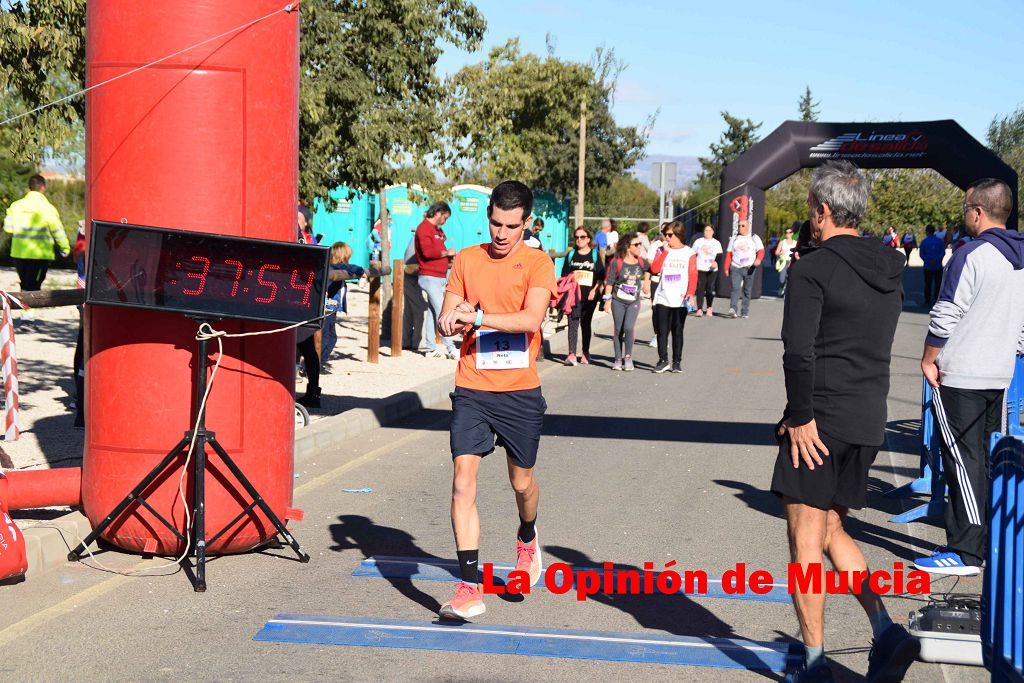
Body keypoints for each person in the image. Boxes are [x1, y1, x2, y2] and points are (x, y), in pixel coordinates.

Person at [772, 161, 916, 682]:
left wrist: (800, 416)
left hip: (822, 420)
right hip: (867, 417)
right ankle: (886, 630)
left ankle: (813, 664)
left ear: (823, 211)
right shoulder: (891, 265)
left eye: (813, 209)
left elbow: (798, 352)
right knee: (832, 528)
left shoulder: (813, 268)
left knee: (804, 540)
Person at [434, 180, 557, 620]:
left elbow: (530, 319)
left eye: (511, 226)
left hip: (520, 391)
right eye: (495, 224)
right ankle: (469, 586)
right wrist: (449, 322)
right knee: (462, 481)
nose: (502, 234)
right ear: (487, 218)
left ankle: (527, 538)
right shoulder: (467, 260)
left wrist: (480, 317)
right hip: (472, 387)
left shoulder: (538, 263)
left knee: (521, 483)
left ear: (526, 223)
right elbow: (446, 319)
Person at [915, 179, 1024, 577]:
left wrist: (929, 358)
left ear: (978, 211)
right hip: (999, 372)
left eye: (965, 208)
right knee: (984, 458)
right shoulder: (1021, 257)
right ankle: (986, 542)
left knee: (962, 460)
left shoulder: (971, 255)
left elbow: (946, 313)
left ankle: (965, 552)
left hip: (961, 372)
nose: (964, 215)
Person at [3, 174, 70, 321]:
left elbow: (8, 228)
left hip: (19, 252)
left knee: (25, 282)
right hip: (41, 253)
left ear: (29, 187)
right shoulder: (48, 208)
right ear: (43, 188)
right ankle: (29, 312)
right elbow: (57, 230)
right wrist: (65, 248)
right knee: (35, 283)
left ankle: (25, 310)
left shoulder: (16, 206)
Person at [649, 221, 696, 373]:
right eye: (665, 235)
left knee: (677, 330)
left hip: (680, 298)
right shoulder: (662, 251)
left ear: (678, 235)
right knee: (662, 331)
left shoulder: (689, 252)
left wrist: (690, 293)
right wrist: (665, 252)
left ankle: (677, 362)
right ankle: (663, 360)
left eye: (669, 235)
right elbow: (654, 269)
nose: (666, 238)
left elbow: (693, 274)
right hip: (663, 296)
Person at [415, 201, 458, 359]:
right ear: (438, 213)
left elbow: (438, 248)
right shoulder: (423, 228)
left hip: (439, 276)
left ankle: (430, 348)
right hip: (429, 277)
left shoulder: (436, 230)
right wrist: (447, 253)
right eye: (445, 218)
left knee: (434, 312)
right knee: (443, 311)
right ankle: (451, 347)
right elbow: (427, 252)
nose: (445, 221)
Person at [602, 232, 650, 371]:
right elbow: (610, 281)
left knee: (629, 327)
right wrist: (607, 300)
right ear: (628, 247)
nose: (639, 246)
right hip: (618, 300)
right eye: (636, 245)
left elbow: (650, 269)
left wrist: (646, 282)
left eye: (640, 244)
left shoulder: (640, 261)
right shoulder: (617, 262)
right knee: (618, 329)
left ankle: (628, 358)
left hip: (633, 301)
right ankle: (618, 359)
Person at [561, 226, 605, 365]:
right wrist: (570, 279)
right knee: (573, 323)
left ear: (588, 239)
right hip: (573, 295)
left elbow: (601, 276)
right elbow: (564, 275)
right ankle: (572, 354)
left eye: (582, 237)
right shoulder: (571, 254)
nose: (579, 240)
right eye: (577, 237)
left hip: (589, 296)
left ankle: (585, 351)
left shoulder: (594, 255)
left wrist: (595, 290)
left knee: (585, 324)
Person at [321, 242, 365, 371]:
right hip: (327, 307)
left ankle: (321, 361)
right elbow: (351, 267)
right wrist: (360, 271)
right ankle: (314, 365)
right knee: (325, 337)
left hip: (332, 308)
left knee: (331, 337)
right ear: (343, 257)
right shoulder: (335, 267)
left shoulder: (337, 268)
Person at [723, 220, 764, 319]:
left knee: (747, 290)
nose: (740, 227)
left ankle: (744, 311)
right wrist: (726, 268)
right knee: (735, 288)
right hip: (736, 267)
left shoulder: (754, 237)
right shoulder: (734, 238)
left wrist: (758, 260)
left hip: (750, 268)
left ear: (748, 227)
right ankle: (733, 309)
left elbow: (761, 251)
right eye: (739, 226)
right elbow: (729, 254)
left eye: (743, 225)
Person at [691, 224, 723, 316]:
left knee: (709, 289)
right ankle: (700, 309)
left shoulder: (716, 243)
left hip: (712, 269)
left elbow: (719, 255)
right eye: (706, 230)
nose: (708, 232)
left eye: (710, 230)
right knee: (700, 288)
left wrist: (716, 262)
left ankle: (709, 307)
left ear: (713, 232)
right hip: (700, 267)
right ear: (703, 232)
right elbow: (693, 254)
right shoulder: (698, 242)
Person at [646, 223, 670, 344]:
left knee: (668, 310)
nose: (666, 235)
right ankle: (657, 334)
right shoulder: (656, 246)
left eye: (669, 232)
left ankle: (664, 335)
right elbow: (649, 264)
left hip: (670, 282)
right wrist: (646, 281)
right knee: (656, 309)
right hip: (656, 279)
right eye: (664, 232)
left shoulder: (676, 247)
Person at [918, 225, 945, 308]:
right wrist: (936, 260)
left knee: (928, 284)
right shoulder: (940, 241)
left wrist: (928, 261)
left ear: (927, 232)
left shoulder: (924, 241)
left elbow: (921, 254)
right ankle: (936, 299)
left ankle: (927, 300)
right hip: (938, 266)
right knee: (938, 284)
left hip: (927, 266)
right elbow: (943, 252)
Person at [774, 226, 798, 297]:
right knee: (782, 279)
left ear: (792, 233)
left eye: (789, 232)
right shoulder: (782, 242)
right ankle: (781, 287)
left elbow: (797, 252)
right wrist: (781, 253)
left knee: (791, 278)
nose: (788, 234)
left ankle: (787, 292)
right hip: (783, 261)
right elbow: (776, 252)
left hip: (792, 262)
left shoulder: (795, 243)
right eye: (786, 232)